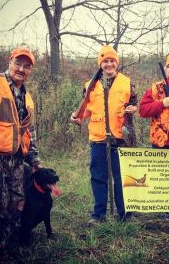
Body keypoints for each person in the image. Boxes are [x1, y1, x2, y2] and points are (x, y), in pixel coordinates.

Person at [0, 47, 42, 261]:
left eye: (27, 66)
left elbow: (28, 133)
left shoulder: (28, 97)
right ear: (10, 61)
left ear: (31, 70)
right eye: (18, 63)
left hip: (15, 159)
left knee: (16, 203)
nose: (21, 69)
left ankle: (9, 249)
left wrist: (35, 162)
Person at [70, 45, 137, 223]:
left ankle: (124, 215)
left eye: (112, 61)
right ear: (100, 64)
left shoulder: (127, 82)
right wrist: (77, 117)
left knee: (121, 177)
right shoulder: (90, 85)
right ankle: (99, 215)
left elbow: (134, 103)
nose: (109, 64)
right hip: (98, 137)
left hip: (120, 138)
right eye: (105, 61)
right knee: (98, 176)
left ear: (117, 63)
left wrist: (133, 108)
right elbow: (85, 110)